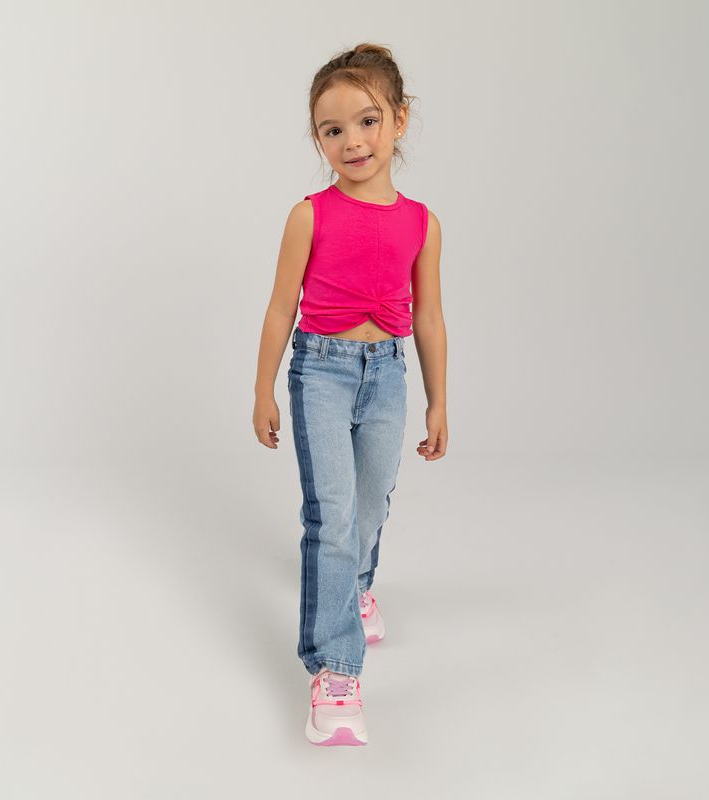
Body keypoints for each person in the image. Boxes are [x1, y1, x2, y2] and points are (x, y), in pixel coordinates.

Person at [252, 43, 448, 746]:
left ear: (399, 120)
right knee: (331, 518)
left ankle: (355, 586)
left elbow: (428, 317)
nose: (353, 141)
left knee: (370, 505)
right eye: (332, 130)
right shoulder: (309, 215)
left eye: (367, 121)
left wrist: (438, 402)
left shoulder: (422, 223)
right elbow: (281, 306)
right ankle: (335, 669)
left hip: (388, 374)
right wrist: (264, 390)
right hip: (322, 374)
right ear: (318, 140)